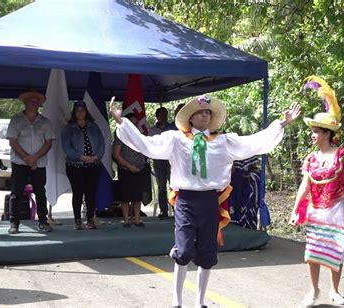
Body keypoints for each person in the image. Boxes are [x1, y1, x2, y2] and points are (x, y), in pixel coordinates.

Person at [111, 94, 300, 307]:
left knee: (207, 252)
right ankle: (177, 300)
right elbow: (147, 144)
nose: (205, 115)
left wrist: (281, 123)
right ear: (190, 118)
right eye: (201, 112)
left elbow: (252, 142)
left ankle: (200, 301)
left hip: (210, 200)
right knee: (183, 252)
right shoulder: (176, 138)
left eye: (208, 112)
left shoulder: (222, 141)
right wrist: (121, 122)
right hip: (185, 200)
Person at [289, 76, 344, 307]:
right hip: (316, 209)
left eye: (316, 131)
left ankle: (335, 292)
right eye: (312, 131)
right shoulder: (311, 158)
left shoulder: (343, 154)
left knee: (334, 251)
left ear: (327, 133)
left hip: (336, 210)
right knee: (313, 252)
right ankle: (313, 291)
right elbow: (304, 185)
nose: (312, 135)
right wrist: (296, 210)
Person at [7, 90, 55, 234]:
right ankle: (14, 223)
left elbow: (48, 143)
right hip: (19, 163)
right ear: (25, 103)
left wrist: (35, 158)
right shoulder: (16, 120)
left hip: (39, 163)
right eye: (31, 100)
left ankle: (43, 221)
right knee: (16, 193)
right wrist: (27, 158)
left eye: (36, 101)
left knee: (40, 193)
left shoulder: (45, 122)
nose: (34, 103)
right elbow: (12, 142)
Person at [61, 100, 105, 230]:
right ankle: (77, 221)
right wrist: (81, 157)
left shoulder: (94, 127)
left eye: (83, 110)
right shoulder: (69, 128)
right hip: (75, 166)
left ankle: (90, 219)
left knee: (91, 193)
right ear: (74, 113)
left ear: (86, 112)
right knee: (78, 193)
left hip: (93, 165)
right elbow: (66, 147)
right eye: (78, 110)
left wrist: (97, 156)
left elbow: (102, 144)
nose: (81, 113)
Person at [112, 113, 149, 227]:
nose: (135, 125)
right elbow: (116, 154)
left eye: (136, 123)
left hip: (139, 168)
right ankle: (126, 220)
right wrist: (129, 166)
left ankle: (137, 220)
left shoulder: (140, 135)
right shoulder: (120, 135)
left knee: (137, 196)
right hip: (125, 169)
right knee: (125, 197)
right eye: (132, 123)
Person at [149, 107, 176, 219]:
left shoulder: (173, 128)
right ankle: (163, 211)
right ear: (157, 116)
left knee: (174, 185)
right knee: (161, 187)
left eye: (165, 114)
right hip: (158, 160)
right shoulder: (152, 130)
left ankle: (176, 210)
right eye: (160, 115)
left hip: (171, 160)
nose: (163, 117)